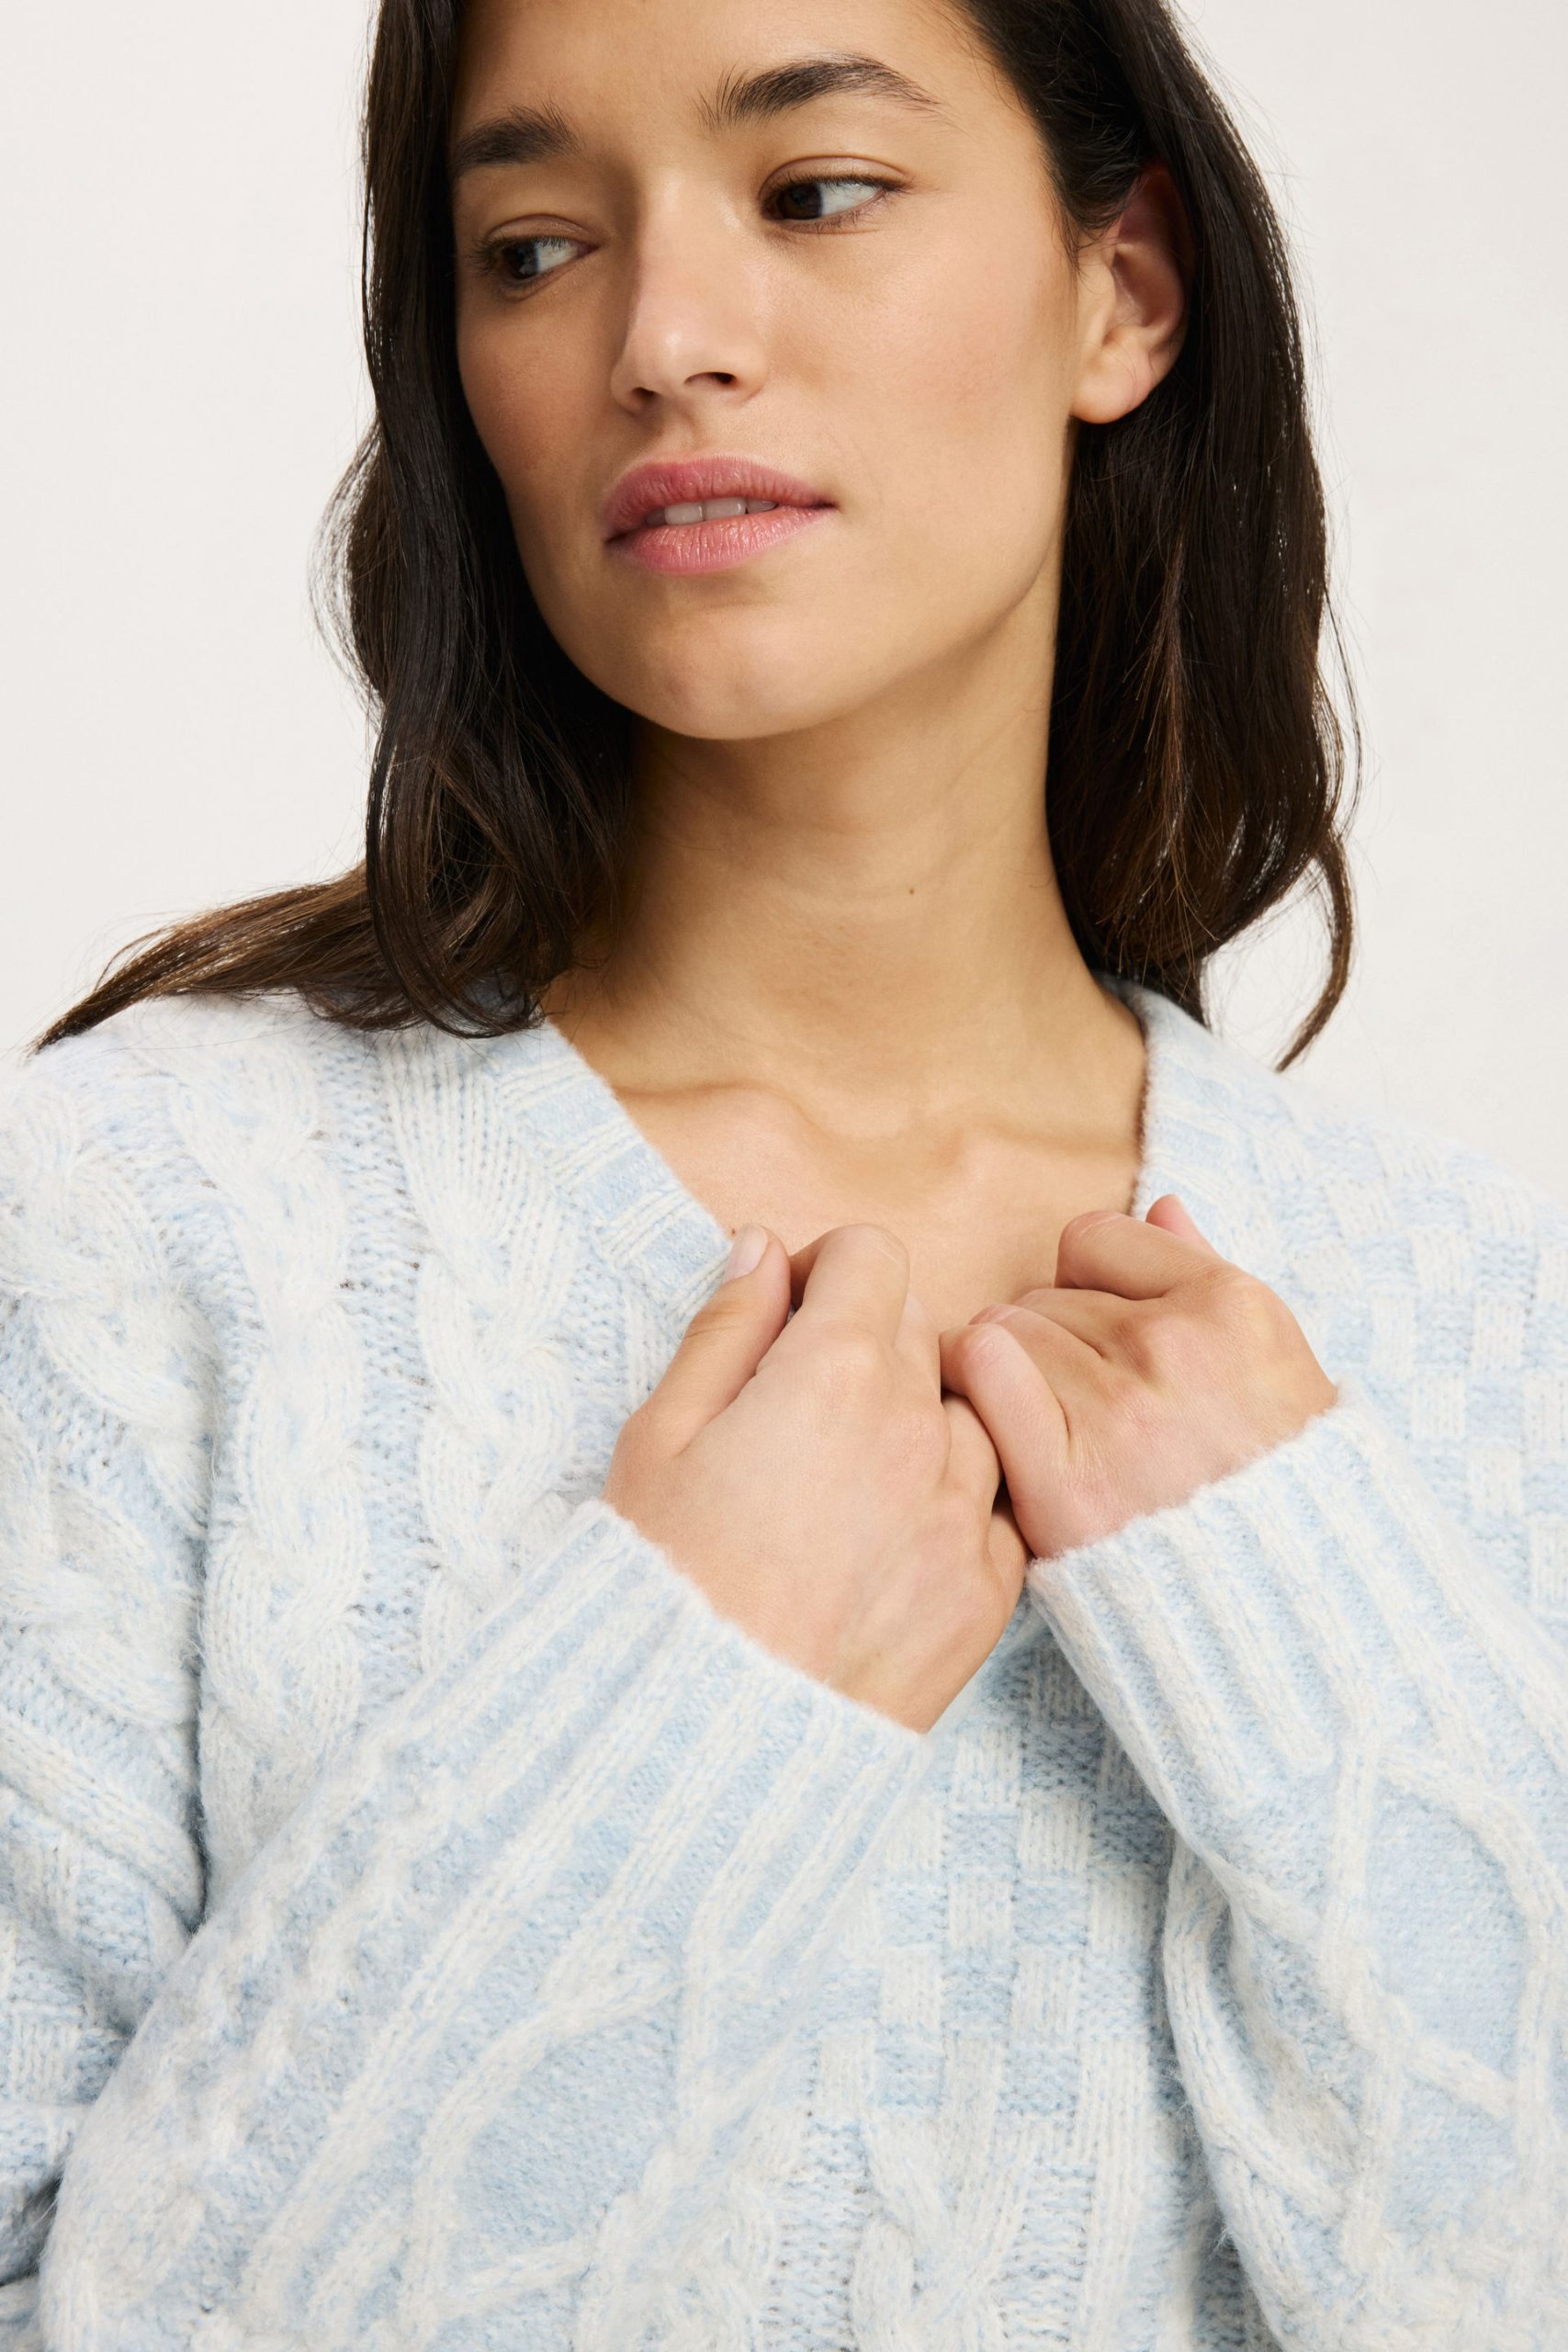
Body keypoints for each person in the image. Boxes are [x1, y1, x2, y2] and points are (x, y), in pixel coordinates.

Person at [2, 0, 1564, 2341]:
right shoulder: (152, 1226)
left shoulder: (1474, 1318)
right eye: (535, 248)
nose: (663, 337)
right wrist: (678, 1710)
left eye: (815, 192)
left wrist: (1311, 1642)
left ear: (1122, 295)